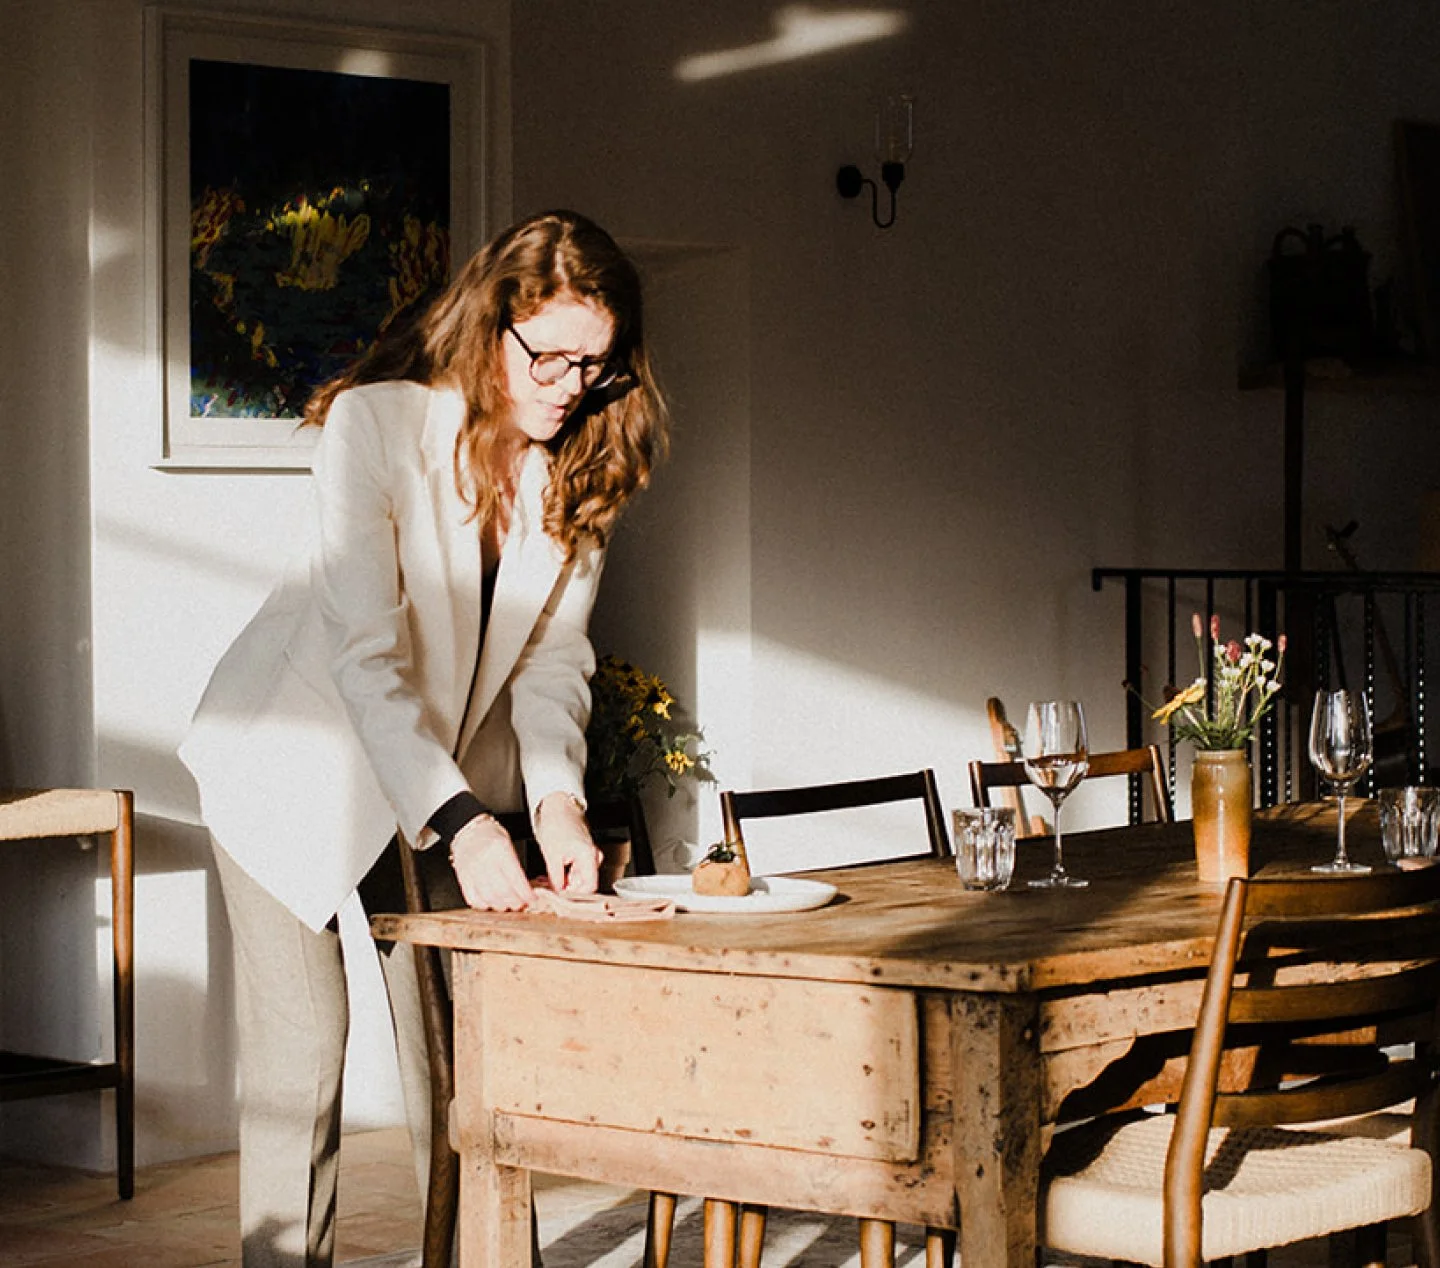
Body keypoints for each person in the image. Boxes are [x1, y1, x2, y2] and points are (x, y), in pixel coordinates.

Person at [179, 209, 668, 1268]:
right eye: (550, 356)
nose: (571, 385)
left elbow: (551, 661)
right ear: (493, 327)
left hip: (434, 770)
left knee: (460, 1061)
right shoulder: (377, 428)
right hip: (292, 763)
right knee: (302, 1060)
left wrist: (555, 803)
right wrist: (462, 824)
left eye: (596, 364)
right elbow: (368, 656)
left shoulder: (581, 466)